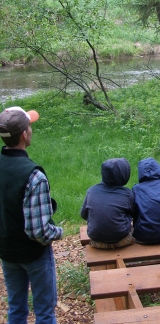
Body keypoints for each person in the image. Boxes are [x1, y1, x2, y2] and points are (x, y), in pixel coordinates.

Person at [0, 106, 63, 323]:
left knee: (16, 309)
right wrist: (59, 232)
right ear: (25, 134)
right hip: (33, 254)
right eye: (30, 127)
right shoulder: (34, 176)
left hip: (7, 252)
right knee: (45, 313)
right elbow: (39, 232)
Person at [81, 158, 135, 249]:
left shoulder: (91, 191)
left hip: (96, 241)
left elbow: (83, 214)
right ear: (124, 175)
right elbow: (134, 214)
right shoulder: (127, 194)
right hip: (122, 240)